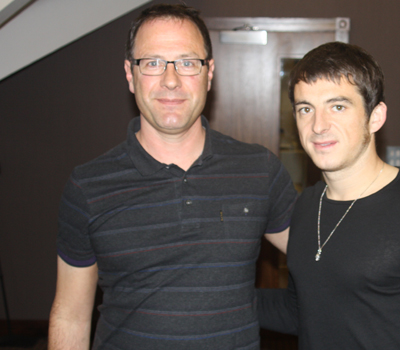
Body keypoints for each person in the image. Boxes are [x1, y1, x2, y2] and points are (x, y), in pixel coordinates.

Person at [48, 4, 296, 350]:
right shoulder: (88, 186)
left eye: (187, 62)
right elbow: (71, 314)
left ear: (209, 73)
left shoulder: (259, 169)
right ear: (129, 75)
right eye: (152, 63)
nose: (170, 80)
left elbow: (326, 261)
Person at [257, 42, 400, 350]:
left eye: (338, 106)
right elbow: (301, 313)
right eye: (305, 109)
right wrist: (203, 293)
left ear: (375, 117)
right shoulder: (308, 206)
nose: (318, 125)